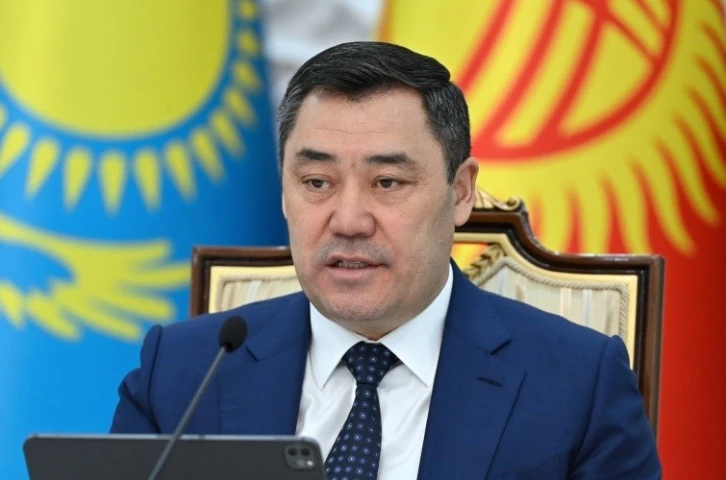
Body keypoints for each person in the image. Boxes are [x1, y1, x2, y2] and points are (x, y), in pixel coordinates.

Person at [111, 41, 661, 479]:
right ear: (283, 191)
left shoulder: (576, 384)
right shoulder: (183, 373)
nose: (349, 220)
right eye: (316, 182)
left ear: (461, 192)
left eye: (388, 182)